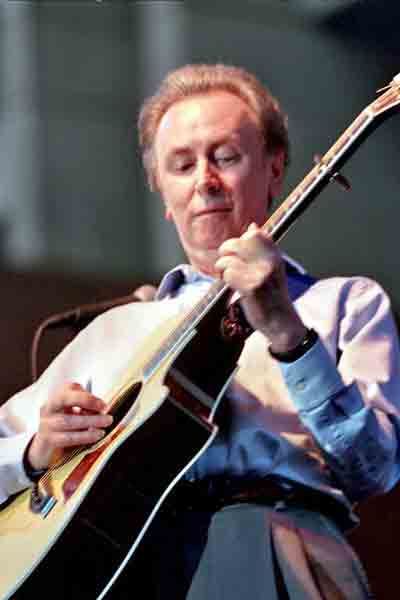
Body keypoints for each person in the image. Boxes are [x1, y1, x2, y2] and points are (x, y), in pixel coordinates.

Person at [1, 63, 400, 599]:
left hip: (279, 546)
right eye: (182, 165)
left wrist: (288, 333)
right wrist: (34, 451)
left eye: (226, 157)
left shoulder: (345, 302)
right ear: (161, 191)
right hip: (129, 566)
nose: (204, 181)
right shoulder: (115, 331)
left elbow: (374, 468)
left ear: (275, 168)